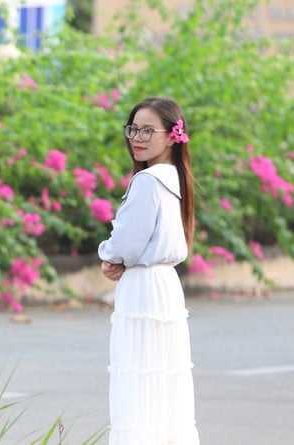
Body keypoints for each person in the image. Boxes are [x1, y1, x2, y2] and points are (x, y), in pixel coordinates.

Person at [98, 97, 200, 444]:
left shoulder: (147, 182)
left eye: (147, 130)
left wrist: (109, 256)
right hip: (166, 288)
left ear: (171, 136)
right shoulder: (174, 178)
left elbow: (125, 242)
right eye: (133, 129)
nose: (136, 137)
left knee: (139, 383)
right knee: (163, 384)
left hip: (143, 289)